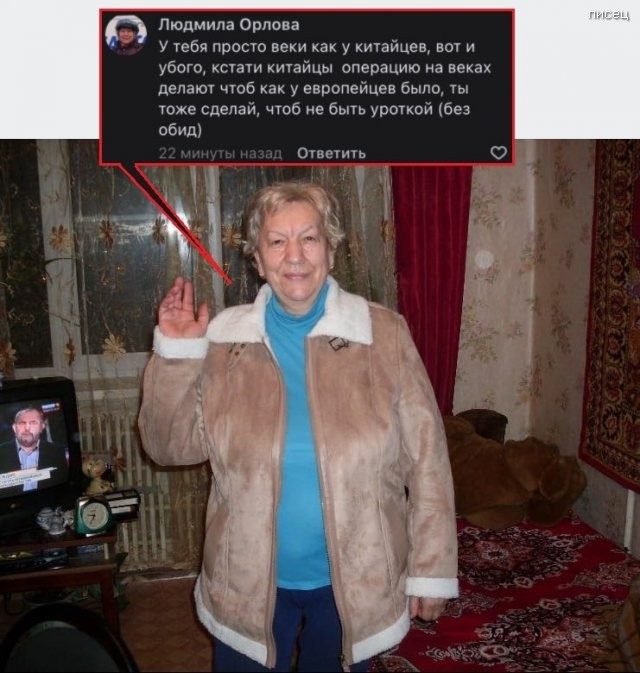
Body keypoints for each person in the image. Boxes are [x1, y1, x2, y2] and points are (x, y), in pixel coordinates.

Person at [138, 182, 459, 672]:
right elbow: (170, 448)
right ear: (257, 258)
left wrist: (431, 568)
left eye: (309, 238)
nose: (295, 256)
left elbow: (428, 460)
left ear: (330, 248)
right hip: (246, 583)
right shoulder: (224, 341)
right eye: (276, 241)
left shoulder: (384, 335)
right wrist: (178, 357)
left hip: (356, 581)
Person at [0, 407, 68, 492]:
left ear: (42, 427)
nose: (27, 428)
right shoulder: (1, 452)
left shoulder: (57, 452)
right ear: (14, 428)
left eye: (33, 423)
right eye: (22, 423)